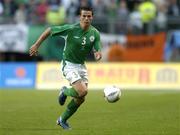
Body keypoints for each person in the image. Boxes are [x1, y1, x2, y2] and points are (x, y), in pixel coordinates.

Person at [29, 6, 102, 130]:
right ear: (80, 17)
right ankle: (64, 91)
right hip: (68, 65)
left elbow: (97, 48)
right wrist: (36, 45)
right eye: (84, 16)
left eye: (89, 16)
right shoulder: (71, 29)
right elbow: (49, 30)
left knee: (81, 99)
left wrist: (98, 54)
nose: (86, 18)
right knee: (83, 91)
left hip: (81, 66)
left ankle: (62, 120)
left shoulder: (94, 33)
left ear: (92, 17)